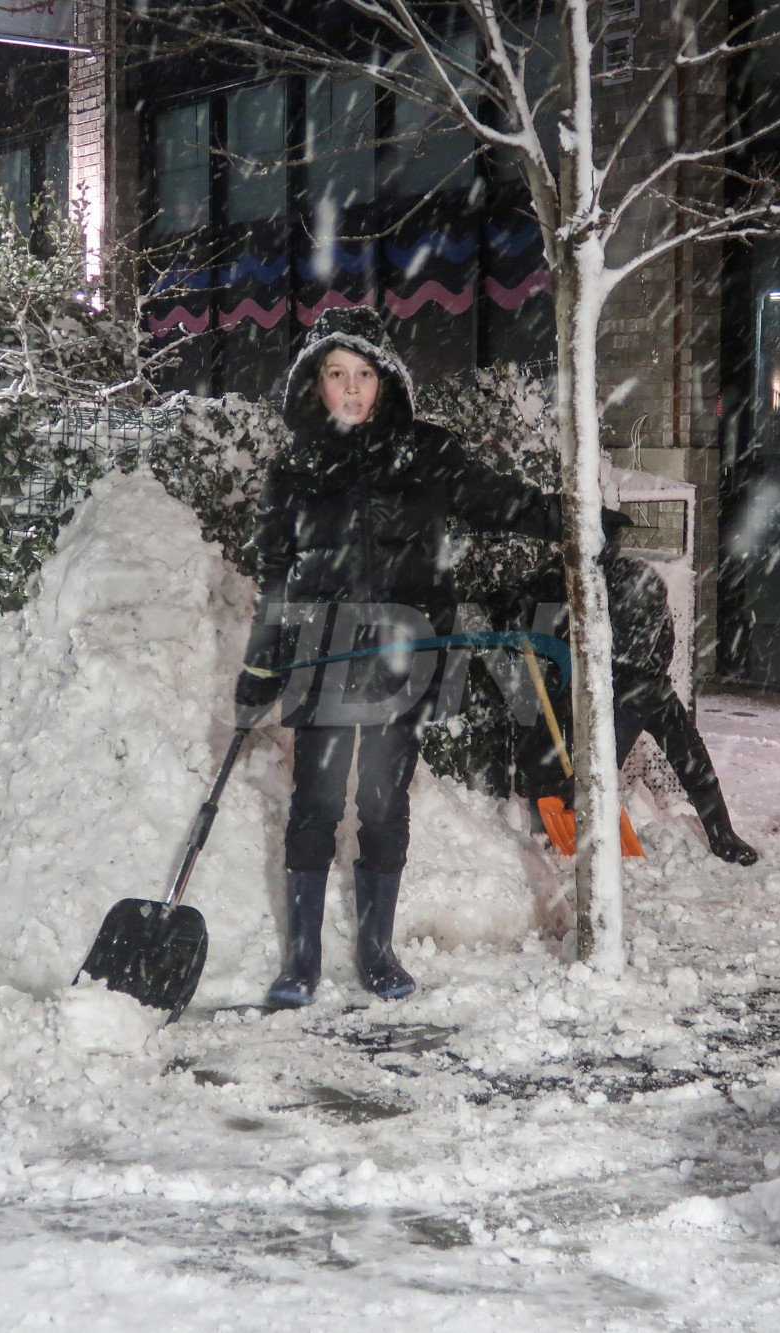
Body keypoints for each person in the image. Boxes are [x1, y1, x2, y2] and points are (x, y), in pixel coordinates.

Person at [235, 305, 593, 1009]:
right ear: (315, 383)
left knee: (382, 802)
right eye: (336, 374)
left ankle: (376, 949)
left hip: (406, 652)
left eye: (363, 374)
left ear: (385, 380)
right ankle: (300, 958)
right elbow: (276, 576)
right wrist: (260, 665)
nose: (351, 388)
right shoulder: (295, 468)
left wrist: (571, 519)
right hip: (320, 653)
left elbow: (497, 501)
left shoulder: (424, 453)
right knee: (312, 802)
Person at [513, 529, 758, 865]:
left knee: (689, 753)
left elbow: (621, 720)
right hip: (593, 675)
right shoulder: (574, 580)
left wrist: (595, 774)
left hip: (645, 682)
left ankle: (722, 832)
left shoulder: (646, 592)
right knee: (547, 738)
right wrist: (519, 604)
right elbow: (532, 593)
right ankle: (545, 822)